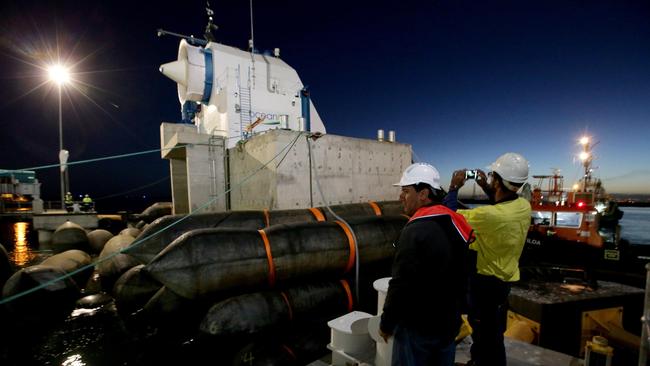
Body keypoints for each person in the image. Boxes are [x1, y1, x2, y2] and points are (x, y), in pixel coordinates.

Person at [379, 162, 474, 366]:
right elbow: (463, 272)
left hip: (417, 328)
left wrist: (386, 323)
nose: (400, 197)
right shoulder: (454, 222)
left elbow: (401, 284)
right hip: (448, 324)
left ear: (423, 194)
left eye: (405, 191)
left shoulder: (414, 231)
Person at [445, 152, 531, 366]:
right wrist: (485, 186)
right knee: (492, 332)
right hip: (504, 281)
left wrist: (454, 188)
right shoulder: (523, 207)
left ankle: (484, 362)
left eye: (493, 177)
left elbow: (448, 216)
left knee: (485, 334)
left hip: (485, 283)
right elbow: (501, 200)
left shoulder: (490, 216)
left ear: (500, 181)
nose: (490, 180)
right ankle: (479, 360)